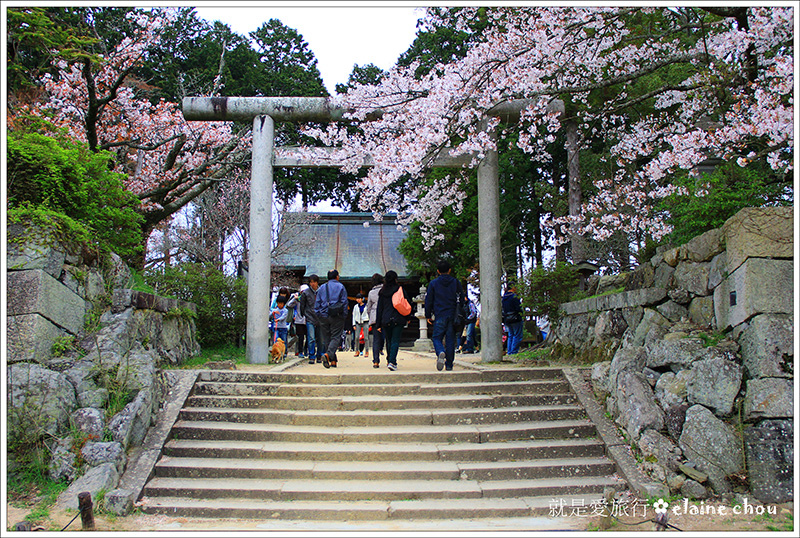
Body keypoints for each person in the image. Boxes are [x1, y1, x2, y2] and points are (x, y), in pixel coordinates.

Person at [425, 260, 459, 371]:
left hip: (439, 313)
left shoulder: (433, 283)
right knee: (450, 339)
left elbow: (429, 300)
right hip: (453, 314)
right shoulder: (456, 282)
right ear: (450, 270)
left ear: (438, 271)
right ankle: (449, 364)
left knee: (436, 337)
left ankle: (440, 351)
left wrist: (428, 314)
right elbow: (461, 299)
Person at [315, 269, 348, 369]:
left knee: (327, 338)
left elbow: (317, 303)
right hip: (337, 315)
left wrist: (318, 314)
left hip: (323, 315)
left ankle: (333, 361)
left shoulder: (321, 288)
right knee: (336, 336)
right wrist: (344, 315)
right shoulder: (340, 287)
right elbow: (344, 302)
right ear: (337, 277)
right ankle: (328, 355)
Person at [376, 270, 407, 371]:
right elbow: (406, 303)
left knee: (389, 340)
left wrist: (378, 324)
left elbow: (379, 308)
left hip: (385, 318)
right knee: (395, 340)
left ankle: (390, 359)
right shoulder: (399, 290)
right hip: (398, 317)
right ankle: (392, 361)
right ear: (395, 279)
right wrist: (408, 317)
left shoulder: (382, 292)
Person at [299, 275, 321, 364]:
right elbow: (302, 305)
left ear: (317, 282)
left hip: (320, 317)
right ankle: (311, 355)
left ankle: (319, 355)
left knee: (320, 338)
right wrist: (304, 314)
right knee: (311, 338)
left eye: (314, 282)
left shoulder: (321, 292)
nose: (312, 284)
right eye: (311, 282)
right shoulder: (306, 293)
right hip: (310, 317)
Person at [365, 273, 384, 367]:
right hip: (385, 317)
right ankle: (390, 360)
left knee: (376, 339)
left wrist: (370, 316)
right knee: (386, 338)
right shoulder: (386, 290)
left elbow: (368, 307)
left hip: (375, 317)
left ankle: (376, 361)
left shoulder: (371, 293)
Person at [502, 282, 524, 355]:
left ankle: (509, 351)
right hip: (515, 317)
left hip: (507, 318)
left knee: (510, 335)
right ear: (513, 287)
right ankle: (514, 351)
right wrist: (521, 313)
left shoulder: (504, 297)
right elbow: (518, 308)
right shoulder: (514, 297)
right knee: (517, 335)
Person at [286, 288, 306, 357]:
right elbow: (289, 304)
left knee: (310, 337)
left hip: (308, 319)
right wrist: (295, 298)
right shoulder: (297, 300)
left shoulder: (309, 299)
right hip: (299, 320)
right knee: (300, 337)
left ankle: (306, 350)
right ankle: (300, 351)